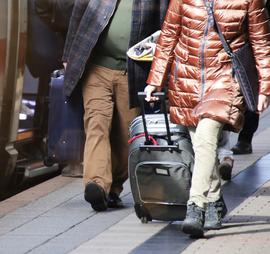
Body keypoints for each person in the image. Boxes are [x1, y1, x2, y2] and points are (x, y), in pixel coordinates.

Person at [144, 0, 270, 238]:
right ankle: (214, 203)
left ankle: (196, 207)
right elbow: (169, 35)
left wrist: (265, 88)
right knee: (203, 147)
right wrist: (155, 80)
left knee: (205, 137)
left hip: (225, 78)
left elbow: (261, 42)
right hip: (187, 80)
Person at [63, 0, 169, 211]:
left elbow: (166, 27)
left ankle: (113, 189)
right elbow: (78, 14)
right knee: (96, 122)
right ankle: (97, 184)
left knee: (124, 133)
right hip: (96, 68)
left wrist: (160, 71)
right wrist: (68, 55)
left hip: (132, 71)